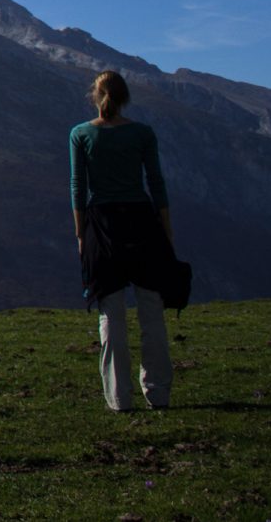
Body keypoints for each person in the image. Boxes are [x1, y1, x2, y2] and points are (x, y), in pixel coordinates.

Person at [70, 69, 177, 411]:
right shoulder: (142, 134)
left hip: (102, 224)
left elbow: (78, 187)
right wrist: (166, 229)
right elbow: (155, 182)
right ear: (125, 97)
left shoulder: (81, 134)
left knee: (111, 313)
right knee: (151, 309)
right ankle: (158, 391)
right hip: (142, 221)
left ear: (94, 96)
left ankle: (119, 397)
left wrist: (80, 234)